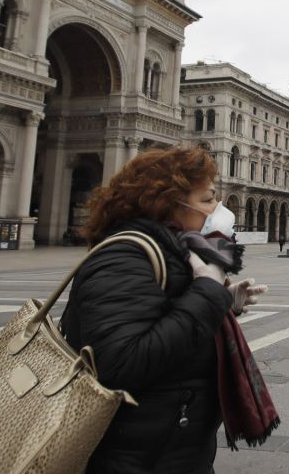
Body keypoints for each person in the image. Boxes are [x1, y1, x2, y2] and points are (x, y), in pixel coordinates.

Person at [62, 147, 272, 472]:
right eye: (207, 199)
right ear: (168, 202)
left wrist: (223, 302)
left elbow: (164, 318)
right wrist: (207, 291)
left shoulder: (175, 251)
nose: (218, 210)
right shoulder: (123, 258)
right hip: (134, 456)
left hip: (168, 446)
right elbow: (121, 363)